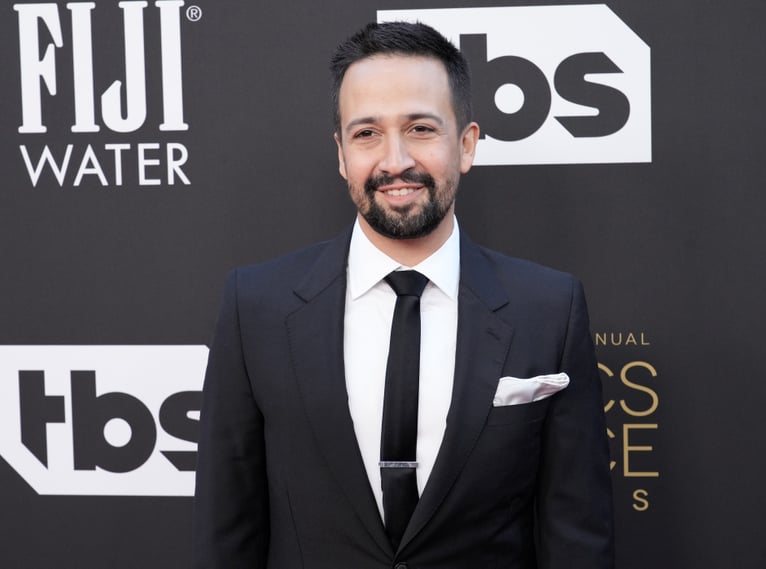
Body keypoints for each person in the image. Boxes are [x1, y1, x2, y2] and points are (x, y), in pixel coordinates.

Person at [194, 21, 614, 569]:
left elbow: (577, 535)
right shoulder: (256, 306)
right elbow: (228, 527)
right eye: (367, 133)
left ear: (466, 145)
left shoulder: (550, 309)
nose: (395, 161)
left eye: (419, 128)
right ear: (342, 154)